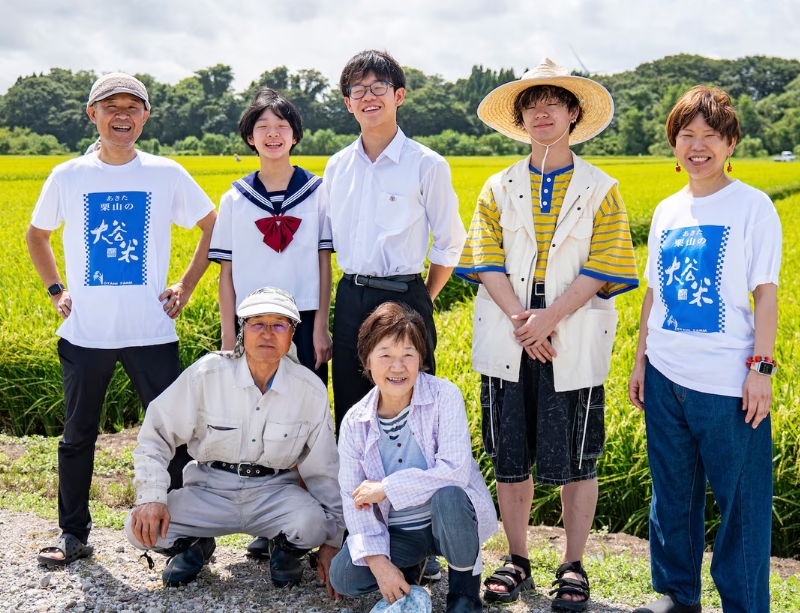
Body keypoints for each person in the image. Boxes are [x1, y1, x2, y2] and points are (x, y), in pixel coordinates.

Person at [457, 58, 638, 612]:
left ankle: (573, 563)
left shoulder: (602, 188)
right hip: (510, 333)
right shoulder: (497, 186)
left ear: (574, 113)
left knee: (577, 455)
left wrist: (547, 318)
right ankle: (517, 557)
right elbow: (486, 260)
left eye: (554, 102)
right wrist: (522, 321)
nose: (542, 111)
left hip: (570, 334)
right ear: (521, 118)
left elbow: (603, 266)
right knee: (510, 455)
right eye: (531, 104)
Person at [27, 72, 217, 567]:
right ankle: (73, 534)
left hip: (151, 332)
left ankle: (187, 538)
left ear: (145, 117)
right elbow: (37, 235)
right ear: (92, 114)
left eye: (134, 107)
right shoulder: (69, 176)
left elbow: (212, 225)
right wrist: (56, 291)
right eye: (111, 106)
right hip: (86, 334)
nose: (123, 115)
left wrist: (186, 284)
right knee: (77, 437)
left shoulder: (165, 173)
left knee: (173, 436)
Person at [627, 87, 781, 613]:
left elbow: (766, 294)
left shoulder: (753, 207)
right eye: (685, 136)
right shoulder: (670, 209)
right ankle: (676, 595)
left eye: (709, 136)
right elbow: (654, 291)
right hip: (667, 374)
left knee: (742, 504)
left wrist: (761, 369)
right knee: (671, 494)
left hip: (726, 384)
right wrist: (640, 357)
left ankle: (743, 604)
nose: (697, 146)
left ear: (730, 142)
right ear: (673, 145)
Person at [125, 287, 344, 591]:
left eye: (279, 324)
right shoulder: (207, 374)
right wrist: (152, 496)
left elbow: (324, 470)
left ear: (292, 333)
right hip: (210, 490)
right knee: (139, 530)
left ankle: (284, 549)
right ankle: (195, 545)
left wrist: (332, 543)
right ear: (242, 329)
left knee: (315, 525)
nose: (267, 334)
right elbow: (156, 434)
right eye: (257, 324)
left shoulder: (309, 390)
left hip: (275, 493)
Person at [323, 49, 466, 431]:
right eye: (358, 90)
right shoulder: (337, 166)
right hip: (352, 296)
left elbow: (450, 243)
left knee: (414, 408)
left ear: (398, 96)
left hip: (405, 294)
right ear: (348, 103)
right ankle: (358, 491)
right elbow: (325, 241)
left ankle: (416, 489)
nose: (368, 96)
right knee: (353, 408)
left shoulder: (427, 164)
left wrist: (421, 298)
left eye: (379, 87)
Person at [330, 302, 497, 613]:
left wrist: (386, 487)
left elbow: (456, 472)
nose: (398, 366)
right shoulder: (355, 422)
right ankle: (407, 574)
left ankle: (464, 593)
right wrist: (379, 563)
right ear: (367, 359)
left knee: (449, 496)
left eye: (408, 354)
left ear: (421, 359)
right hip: (400, 532)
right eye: (386, 355)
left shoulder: (444, 396)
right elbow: (353, 499)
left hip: (446, 521)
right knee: (343, 575)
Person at [209, 88, 332, 383]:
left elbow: (324, 264)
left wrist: (321, 327)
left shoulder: (318, 193)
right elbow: (226, 274)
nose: (272, 134)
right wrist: (228, 337)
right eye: (262, 127)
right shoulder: (234, 200)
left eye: (281, 127)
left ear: (295, 136)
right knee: (250, 404)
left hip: (304, 318)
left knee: (308, 404)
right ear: (250, 138)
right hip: (250, 320)